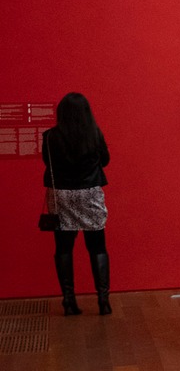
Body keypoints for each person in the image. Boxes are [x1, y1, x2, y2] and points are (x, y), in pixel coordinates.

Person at [41, 92, 112, 316]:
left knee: (63, 248)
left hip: (61, 195)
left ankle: (68, 299)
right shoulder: (94, 133)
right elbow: (105, 160)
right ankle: (103, 300)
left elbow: (47, 162)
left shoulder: (50, 136)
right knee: (97, 246)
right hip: (89, 193)